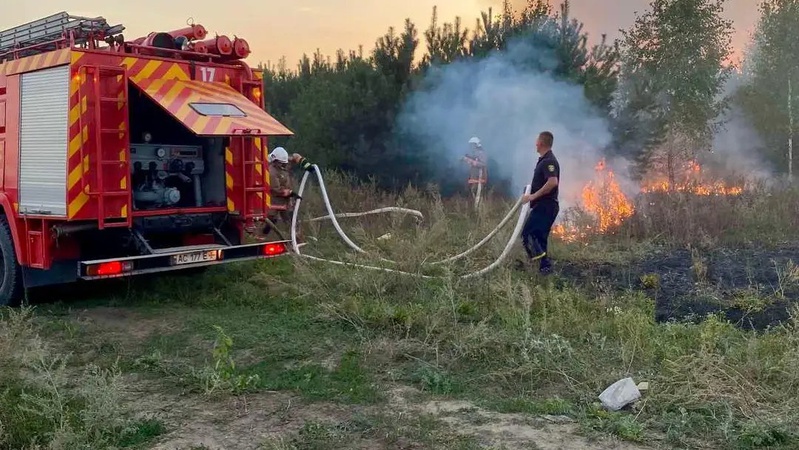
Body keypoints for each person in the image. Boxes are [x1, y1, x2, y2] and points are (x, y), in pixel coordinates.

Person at [520, 131, 560, 274]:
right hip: (545, 206)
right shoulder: (544, 160)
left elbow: (552, 182)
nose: (535, 143)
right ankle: (543, 269)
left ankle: (543, 263)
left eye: (537, 141)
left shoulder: (549, 161)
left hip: (546, 206)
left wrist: (532, 196)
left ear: (541, 143)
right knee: (539, 237)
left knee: (527, 234)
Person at [260, 147, 313, 238]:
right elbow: (276, 189)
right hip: (274, 200)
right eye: (282, 164)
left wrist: (307, 166)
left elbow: (296, 157)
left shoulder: (284, 161)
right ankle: (260, 238)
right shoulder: (272, 172)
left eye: (285, 163)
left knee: (292, 221)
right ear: (275, 161)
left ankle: (296, 239)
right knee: (270, 221)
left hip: (286, 201)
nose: (285, 165)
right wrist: (291, 193)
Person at [462, 136, 488, 208]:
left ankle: (479, 213)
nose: (470, 146)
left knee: (478, 198)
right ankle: (474, 212)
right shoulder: (473, 154)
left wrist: (471, 161)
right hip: (473, 179)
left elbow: (483, 164)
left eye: (472, 144)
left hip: (479, 179)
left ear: (476, 144)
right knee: (473, 196)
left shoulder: (481, 153)